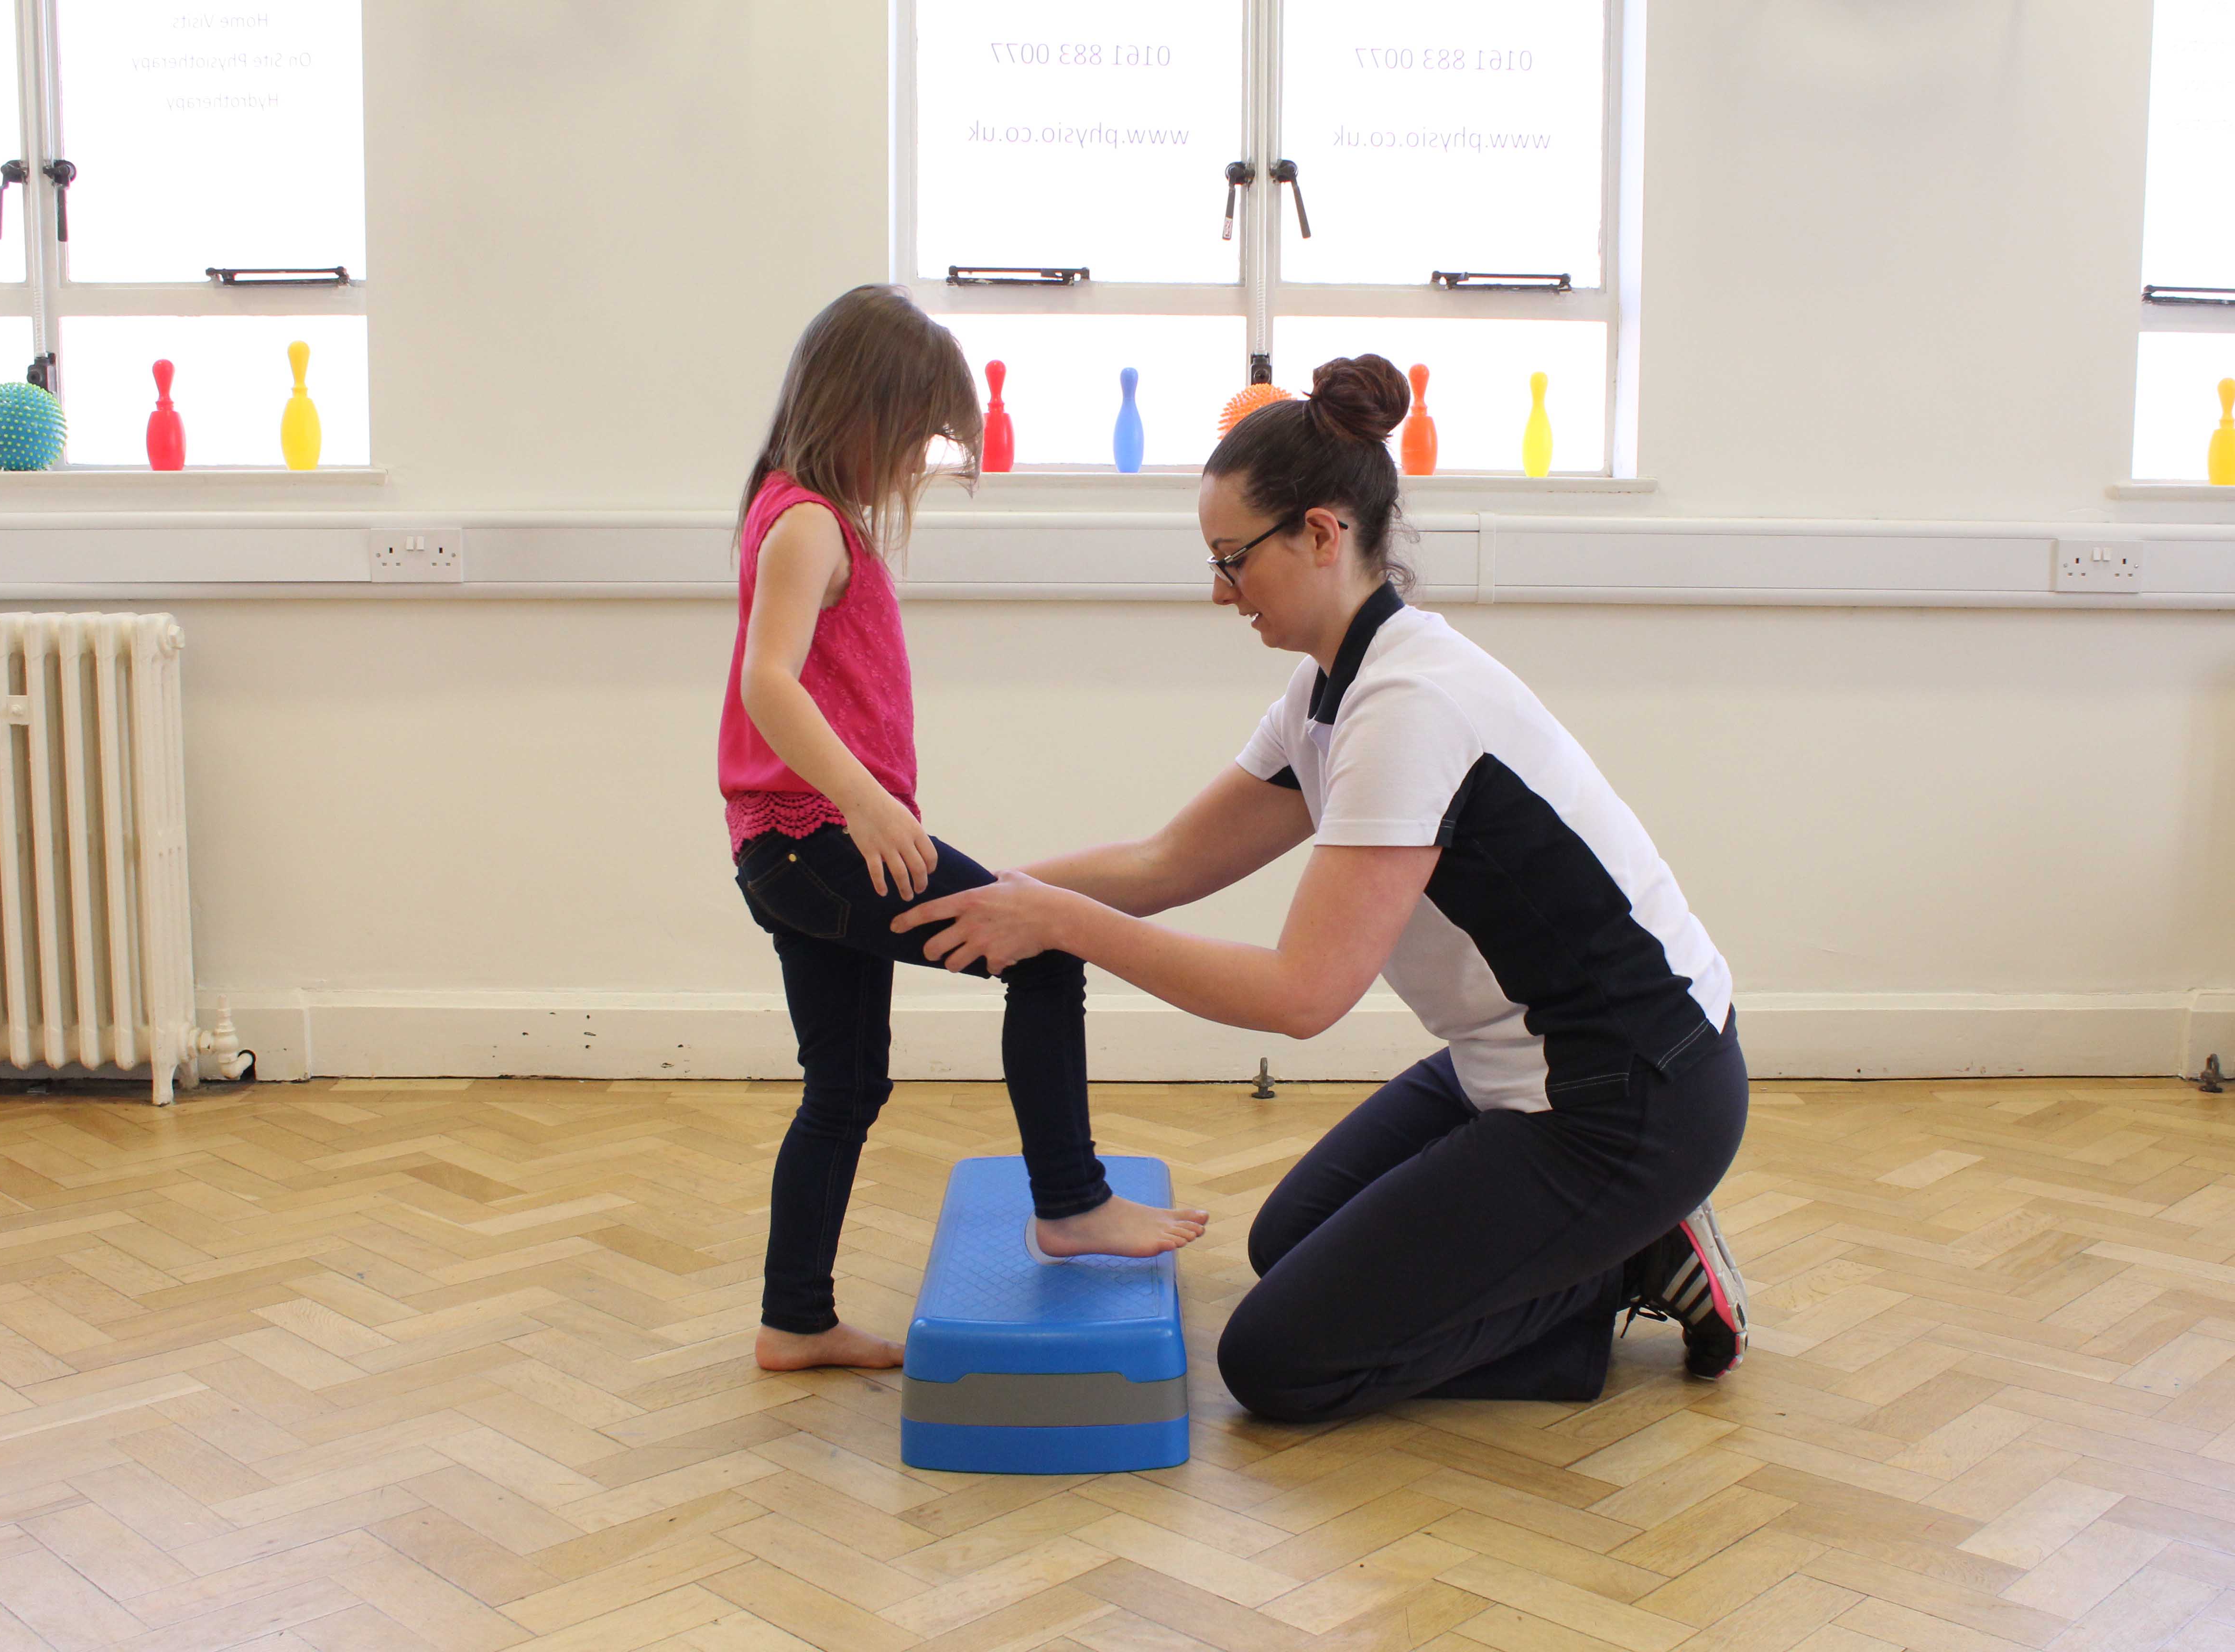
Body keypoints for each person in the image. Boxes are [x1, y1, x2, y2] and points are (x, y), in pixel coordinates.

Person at [895, 354, 1750, 1422]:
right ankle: (1600, 1245)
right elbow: (1169, 864)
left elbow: (1302, 998)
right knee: (1283, 1245)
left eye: (1232, 559)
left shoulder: (1412, 706)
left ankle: (1621, 1268)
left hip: (1632, 1101)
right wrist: (961, 896)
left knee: (1280, 1364)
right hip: (1517, 1066)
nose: (1219, 591)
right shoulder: (1331, 687)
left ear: (1321, 534)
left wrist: (1062, 923)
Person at [723, 286, 1207, 1376]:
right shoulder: (805, 519)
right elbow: (768, 684)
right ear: (862, 410)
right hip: (814, 839)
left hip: (791, 850)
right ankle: (1072, 1204)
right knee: (1044, 938)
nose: (919, 461)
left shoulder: (794, 506)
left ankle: (792, 1319)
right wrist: (862, 796)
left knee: (844, 1089)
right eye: (916, 435)